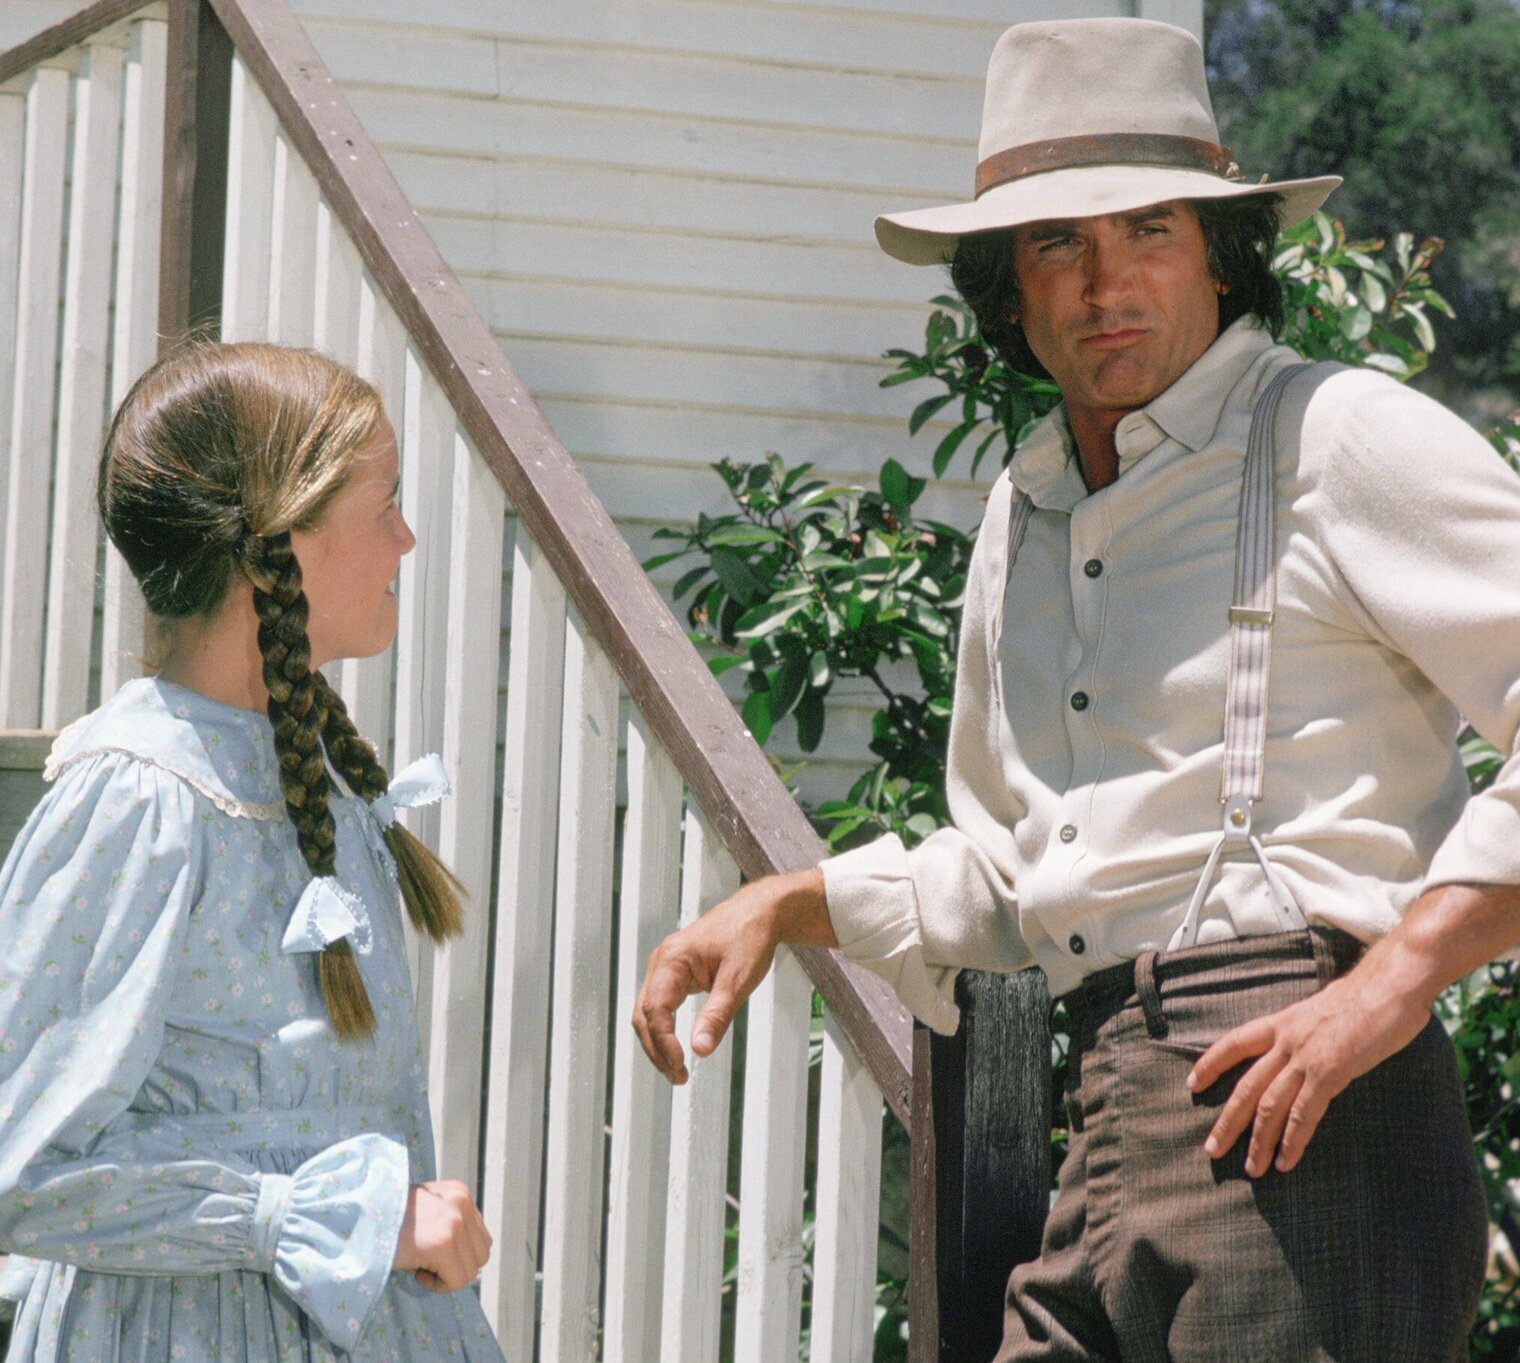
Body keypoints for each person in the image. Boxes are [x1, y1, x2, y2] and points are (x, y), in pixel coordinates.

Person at [633, 17, 1517, 1362]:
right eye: (1061, 244)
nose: (1109, 284)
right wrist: (784, 901)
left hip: (1312, 1118)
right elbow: (1023, 872)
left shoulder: (1335, 437)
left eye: (1149, 232)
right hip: (1108, 1103)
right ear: (1008, 287)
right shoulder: (1030, 511)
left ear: (1219, 252)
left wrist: (1388, 986)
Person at [0, 343, 505, 1362]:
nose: (406, 537)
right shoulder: (142, 799)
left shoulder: (304, 775)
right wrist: (307, 1214)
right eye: (383, 504)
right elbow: (21, 1164)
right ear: (280, 540)